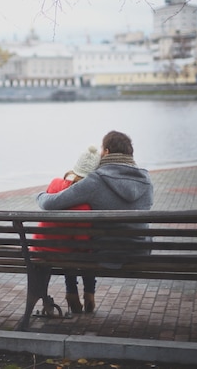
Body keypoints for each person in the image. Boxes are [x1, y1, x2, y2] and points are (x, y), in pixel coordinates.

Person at [37, 130, 154, 314]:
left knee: (77, 240)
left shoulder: (96, 180)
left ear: (106, 152)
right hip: (139, 252)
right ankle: (88, 293)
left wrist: (41, 195)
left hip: (106, 254)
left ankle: (74, 292)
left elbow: (53, 203)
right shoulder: (146, 180)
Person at [34, 145, 101, 314]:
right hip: (63, 253)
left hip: (39, 249)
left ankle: (72, 293)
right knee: (83, 251)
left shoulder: (55, 183)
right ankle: (88, 293)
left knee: (68, 248)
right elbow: (82, 244)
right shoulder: (85, 206)